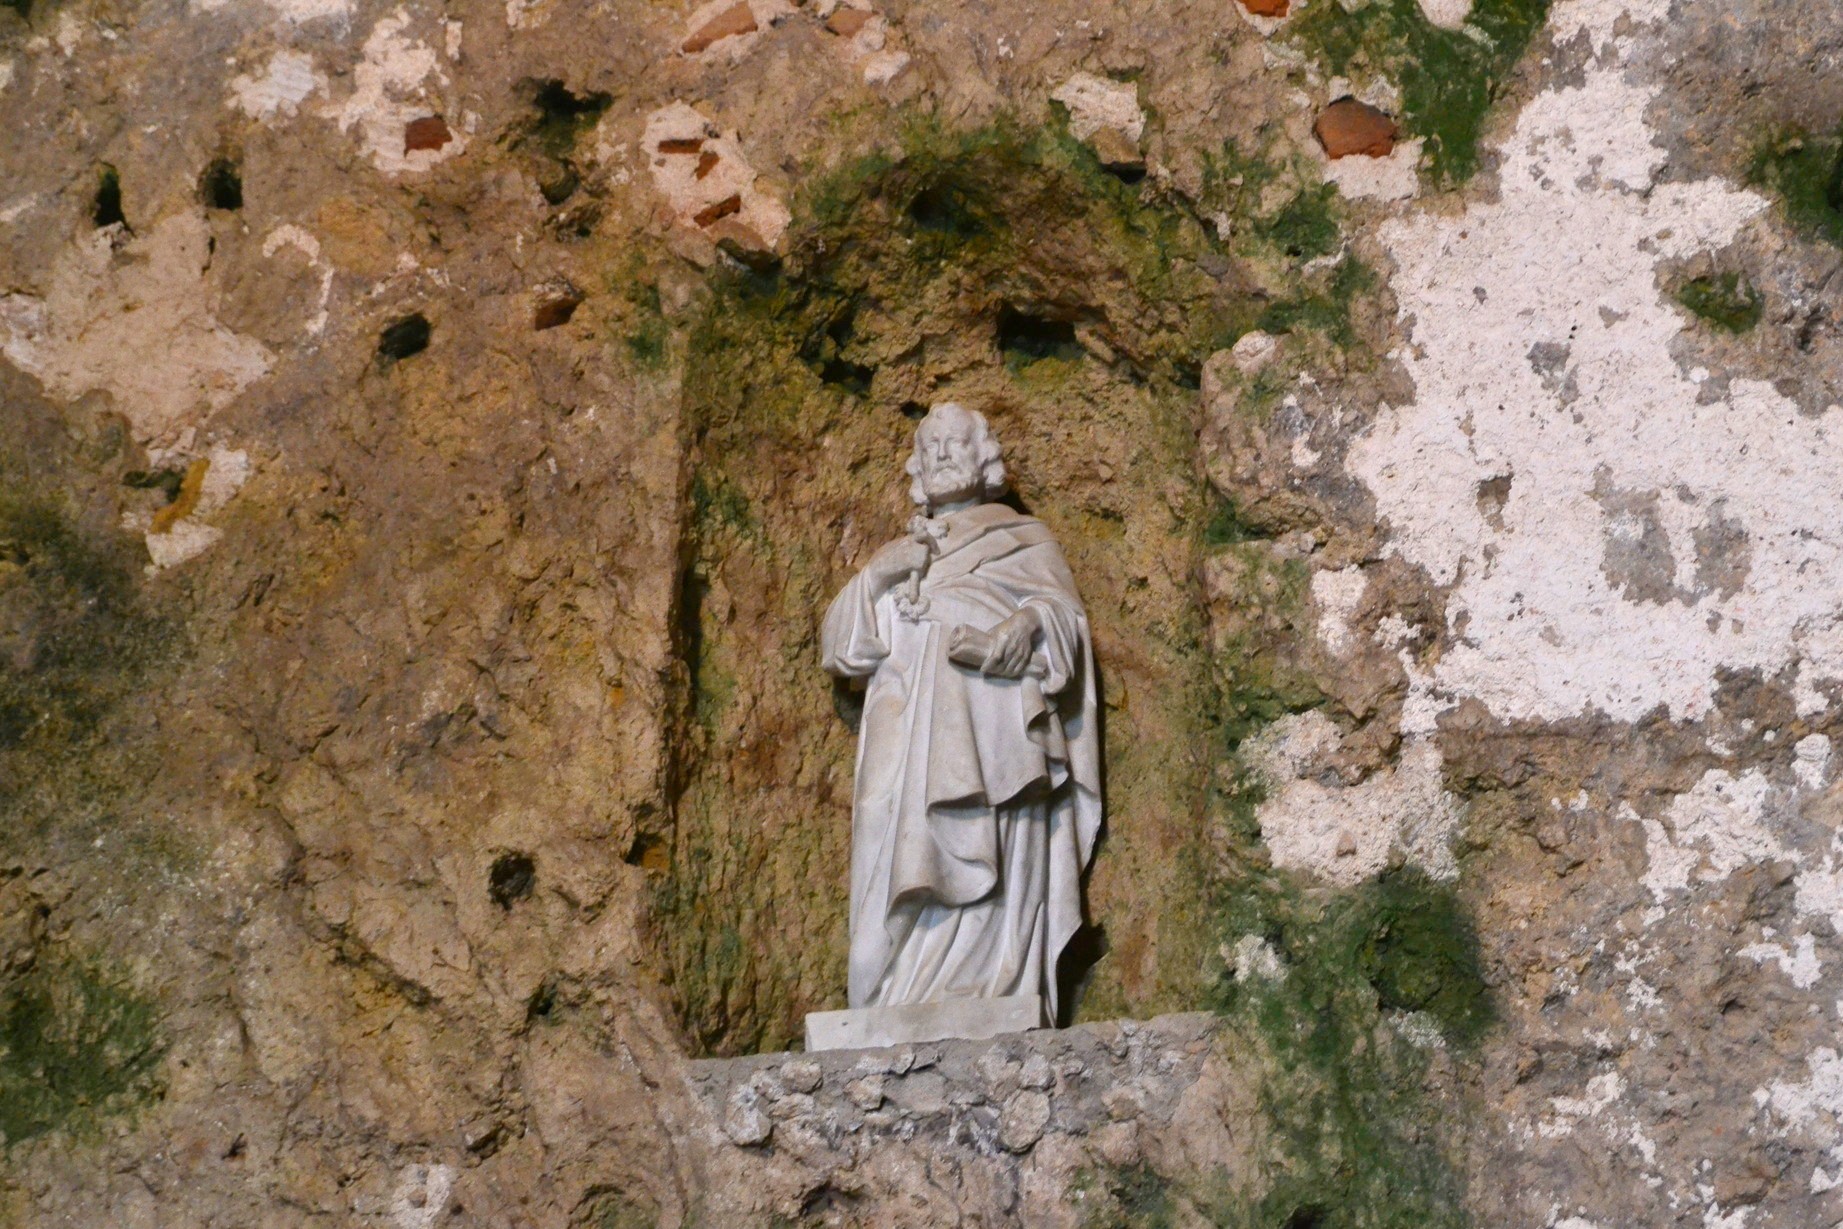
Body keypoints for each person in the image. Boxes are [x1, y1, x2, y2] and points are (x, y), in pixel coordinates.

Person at [821, 402, 1101, 1021]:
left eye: (957, 443)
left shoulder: (1023, 542)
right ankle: (889, 996)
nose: (944, 453)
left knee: (998, 849)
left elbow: (1065, 624)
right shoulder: (897, 552)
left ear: (985, 458)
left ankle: (995, 987)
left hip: (997, 729)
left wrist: (1024, 623)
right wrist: (873, 579)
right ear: (917, 466)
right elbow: (841, 651)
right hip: (901, 734)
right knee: (888, 850)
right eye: (932, 445)